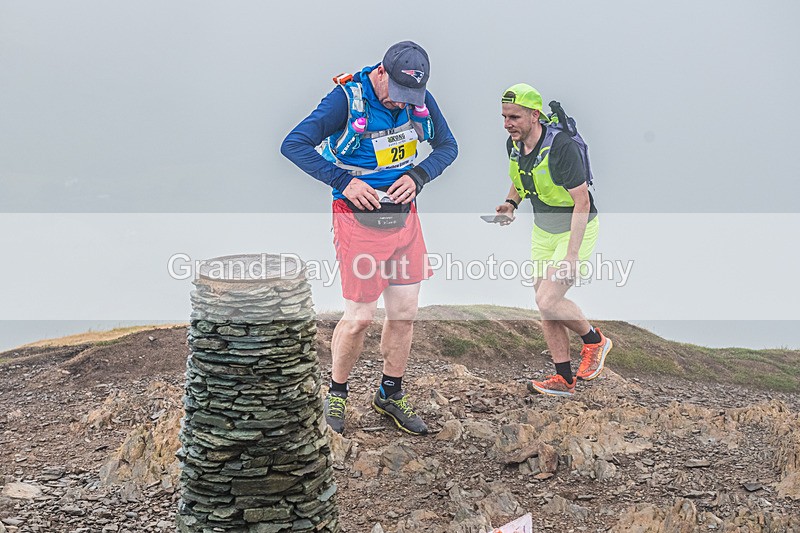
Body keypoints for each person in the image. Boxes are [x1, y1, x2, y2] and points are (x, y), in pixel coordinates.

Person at [281, 41, 458, 434]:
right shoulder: (345, 100)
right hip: (357, 219)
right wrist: (344, 182)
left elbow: (448, 147)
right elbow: (293, 144)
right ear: (381, 72)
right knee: (360, 317)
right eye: (396, 92)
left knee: (405, 312)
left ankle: (389, 394)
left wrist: (418, 176)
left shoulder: (417, 99)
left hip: (404, 218)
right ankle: (337, 393)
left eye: (409, 96)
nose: (400, 102)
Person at [494, 83, 612, 397]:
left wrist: (572, 256)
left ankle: (595, 341)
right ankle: (563, 378)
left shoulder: (562, 148)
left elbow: (582, 202)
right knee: (546, 306)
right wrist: (511, 203)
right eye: (504, 116)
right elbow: (522, 176)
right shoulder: (514, 144)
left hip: (575, 229)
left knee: (547, 300)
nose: (507, 124)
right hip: (542, 231)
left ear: (535, 115)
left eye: (514, 117)